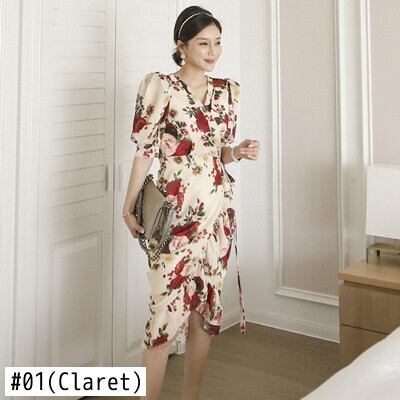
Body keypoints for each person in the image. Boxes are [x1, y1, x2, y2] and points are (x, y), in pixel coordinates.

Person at [122, 5, 260, 400]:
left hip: (218, 214)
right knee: (163, 317)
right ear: (181, 46)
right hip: (175, 214)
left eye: (217, 43)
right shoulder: (160, 86)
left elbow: (218, 152)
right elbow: (145, 151)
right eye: (203, 43)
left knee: (206, 309)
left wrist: (238, 152)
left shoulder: (228, 91)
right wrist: (128, 207)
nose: (213, 51)